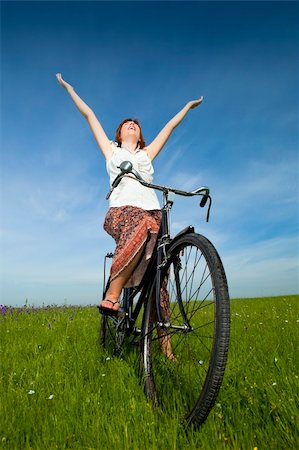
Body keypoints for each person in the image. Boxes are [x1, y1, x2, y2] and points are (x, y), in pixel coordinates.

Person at [56, 73, 203, 316]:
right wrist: (68, 87)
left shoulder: (146, 155)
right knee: (142, 223)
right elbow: (89, 115)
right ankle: (113, 296)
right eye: (126, 124)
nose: (132, 124)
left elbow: (170, 127)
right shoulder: (111, 151)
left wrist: (187, 107)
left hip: (153, 213)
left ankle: (165, 347)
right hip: (121, 211)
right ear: (119, 133)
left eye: (135, 124)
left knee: (160, 275)